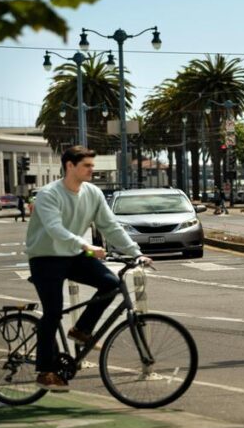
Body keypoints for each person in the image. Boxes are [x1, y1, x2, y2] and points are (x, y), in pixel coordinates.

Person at [25, 146, 151, 391]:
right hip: (45, 257)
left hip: (73, 254)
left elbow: (110, 226)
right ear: (70, 166)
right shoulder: (49, 194)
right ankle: (44, 370)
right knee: (53, 312)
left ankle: (82, 330)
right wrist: (86, 245)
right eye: (87, 165)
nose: (92, 170)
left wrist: (136, 252)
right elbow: (54, 229)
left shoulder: (93, 193)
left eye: (93, 165)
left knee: (112, 283)